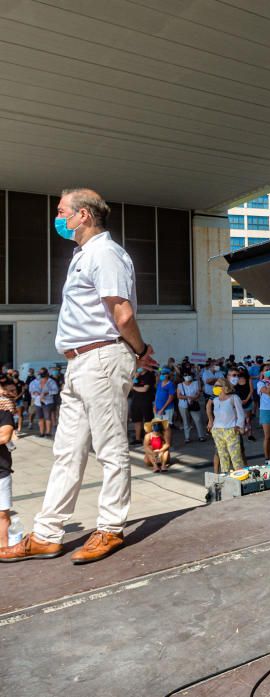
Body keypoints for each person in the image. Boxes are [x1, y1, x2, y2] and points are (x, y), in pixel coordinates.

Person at [0, 188, 156, 565]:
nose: (58, 219)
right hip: (80, 362)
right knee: (66, 451)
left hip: (101, 357)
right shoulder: (85, 255)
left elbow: (122, 314)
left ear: (83, 215)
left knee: (110, 448)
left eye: (62, 212)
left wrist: (139, 350)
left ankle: (110, 528)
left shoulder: (105, 254)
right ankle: (48, 534)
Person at [208, 378, 245, 474]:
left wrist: (238, 426)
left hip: (231, 430)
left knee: (235, 456)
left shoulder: (234, 398)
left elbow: (241, 414)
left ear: (224, 387)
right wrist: (212, 425)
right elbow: (213, 412)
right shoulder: (215, 400)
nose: (215, 388)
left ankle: (240, 477)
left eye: (217, 386)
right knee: (222, 456)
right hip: (217, 431)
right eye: (214, 386)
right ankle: (225, 477)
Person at [0, 377, 17, 547]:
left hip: (1, 470)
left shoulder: (3, 409)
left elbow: (4, 436)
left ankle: (4, 549)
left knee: (2, 513)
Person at [28, 369, 59, 438]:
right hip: (38, 402)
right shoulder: (35, 382)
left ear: (47, 373)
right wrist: (35, 393)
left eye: (43, 373)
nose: (41, 375)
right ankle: (42, 433)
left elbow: (56, 391)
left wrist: (48, 392)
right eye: (40, 374)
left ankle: (48, 433)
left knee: (47, 418)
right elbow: (31, 391)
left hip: (47, 402)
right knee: (40, 418)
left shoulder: (51, 381)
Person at [129, 367, 155, 445]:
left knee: (147, 420)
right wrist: (135, 377)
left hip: (146, 401)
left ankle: (148, 439)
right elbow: (130, 388)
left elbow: (144, 389)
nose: (139, 367)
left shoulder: (149, 375)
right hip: (136, 401)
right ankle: (138, 439)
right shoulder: (137, 375)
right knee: (137, 421)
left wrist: (134, 387)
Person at [177, 373, 206, 443]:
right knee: (186, 421)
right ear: (183, 377)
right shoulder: (180, 385)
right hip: (183, 405)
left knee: (198, 420)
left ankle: (201, 436)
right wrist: (188, 397)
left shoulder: (196, 383)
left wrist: (194, 398)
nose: (188, 376)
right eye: (186, 375)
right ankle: (187, 437)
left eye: (189, 375)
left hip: (194, 404)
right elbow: (179, 396)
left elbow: (199, 393)